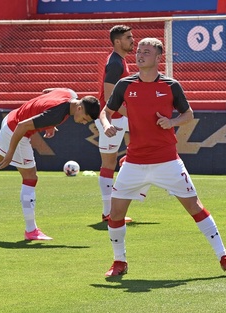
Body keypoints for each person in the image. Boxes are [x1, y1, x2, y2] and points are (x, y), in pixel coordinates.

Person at [99, 37, 226, 277]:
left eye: (147, 52)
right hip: (134, 161)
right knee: (115, 214)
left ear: (158, 57)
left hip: (167, 161)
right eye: (139, 51)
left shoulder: (170, 85)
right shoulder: (125, 85)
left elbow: (188, 114)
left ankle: (224, 258)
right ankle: (119, 262)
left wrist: (172, 122)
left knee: (195, 208)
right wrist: (105, 125)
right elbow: (106, 111)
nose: (140, 54)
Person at [0, 88, 100, 240]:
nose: (84, 123)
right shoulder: (57, 114)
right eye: (85, 119)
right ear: (79, 108)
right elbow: (22, 126)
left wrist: (50, 124)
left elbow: (49, 92)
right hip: (16, 129)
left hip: (12, 117)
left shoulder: (69, 94)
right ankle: (31, 230)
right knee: (30, 177)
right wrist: (10, 153)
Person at [95, 25, 134, 223]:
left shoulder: (121, 61)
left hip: (122, 117)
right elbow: (110, 99)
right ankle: (107, 212)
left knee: (142, 151)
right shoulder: (116, 64)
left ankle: (127, 162)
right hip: (113, 119)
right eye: (128, 37)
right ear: (117, 41)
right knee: (108, 164)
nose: (132, 40)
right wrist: (134, 115)